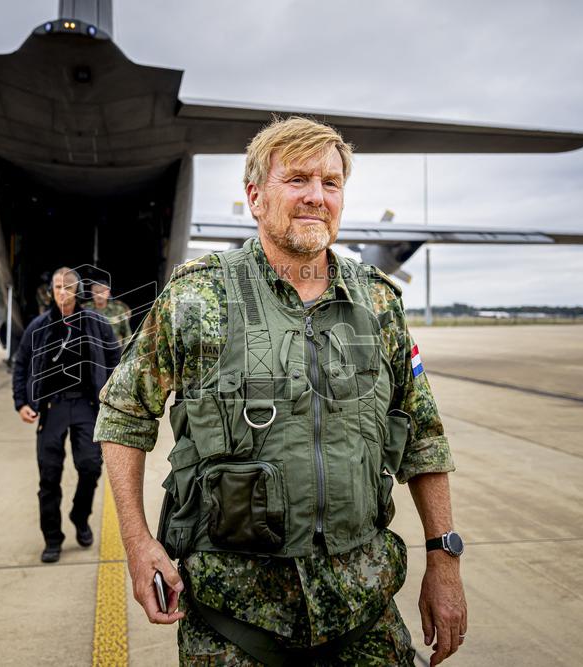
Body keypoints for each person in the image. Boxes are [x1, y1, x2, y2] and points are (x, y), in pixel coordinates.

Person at [95, 117, 467, 665]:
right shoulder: (196, 296)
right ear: (255, 197)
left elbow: (423, 438)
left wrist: (445, 560)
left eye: (331, 182)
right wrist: (137, 541)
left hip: (363, 611)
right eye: (297, 179)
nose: (317, 196)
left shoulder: (378, 304)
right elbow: (124, 414)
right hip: (233, 622)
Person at [13, 267, 121, 563]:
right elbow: (21, 363)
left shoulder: (96, 324)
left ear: (76, 292)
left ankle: (79, 514)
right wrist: (21, 401)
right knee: (49, 476)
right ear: (52, 291)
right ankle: (52, 538)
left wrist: (109, 393)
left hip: (86, 406)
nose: (61, 293)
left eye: (67, 288)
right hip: (52, 408)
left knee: (90, 467)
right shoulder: (39, 326)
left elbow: (115, 357)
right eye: (57, 287)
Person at [83, 278, 132, 344]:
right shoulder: (85, 310)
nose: (99, 295)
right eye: (96, 292)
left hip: (115, 350)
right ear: (92, 293)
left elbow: (127, 334)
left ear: (108, 292)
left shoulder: (118, 309)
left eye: (102, 292)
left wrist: (124, 352)